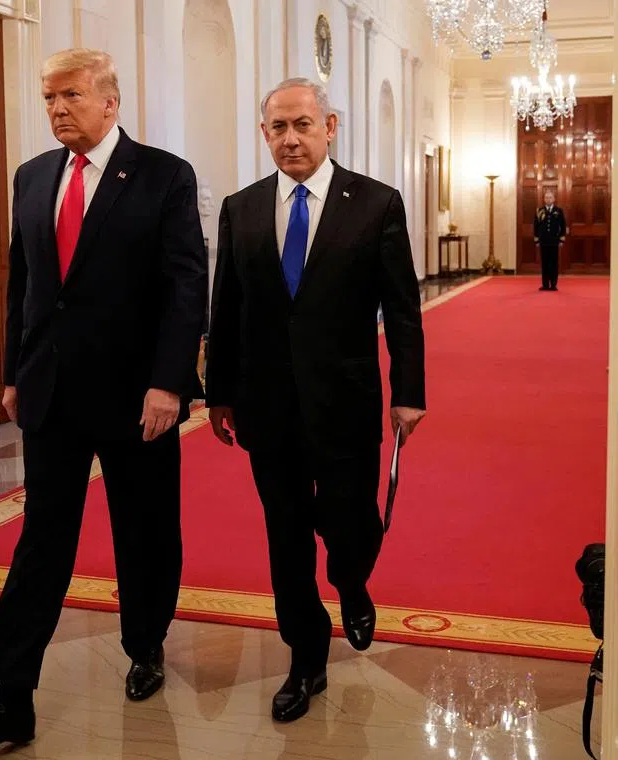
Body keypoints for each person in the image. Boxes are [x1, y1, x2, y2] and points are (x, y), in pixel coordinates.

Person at [0, 48, 207, 754]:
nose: (57, 108)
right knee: (41, 541)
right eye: (49, 97)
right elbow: (23, 285)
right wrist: (11, 373)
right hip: (51, 393)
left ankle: (145, 644)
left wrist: (171, 383)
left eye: (71, 96)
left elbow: (186, 286)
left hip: (137, 395)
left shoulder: (163, 176)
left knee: (145, 530)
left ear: (110, 102)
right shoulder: (33, 177)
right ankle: (12, 695)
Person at [204, 77, 426, 723]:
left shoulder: (375, 203)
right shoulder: (242, 207)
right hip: (267, 404)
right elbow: (229, 307)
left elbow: (402, 309)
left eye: (303, 124)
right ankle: (305, 656)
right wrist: (220, 392)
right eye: (278, 127)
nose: (291, 138)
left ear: (330, 126)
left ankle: (352, 581)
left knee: (352, 520)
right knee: (287, 533)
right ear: (264, 134)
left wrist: (408, 392)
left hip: (347, 399)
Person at [533, 188, 567, 291]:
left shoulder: (558, 211)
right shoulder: (539, 211)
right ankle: (545, 284)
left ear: (554, 199)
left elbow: (563, 225)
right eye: (546, 197)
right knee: (544, 263)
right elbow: (536, 226)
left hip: (554, 241)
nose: (548, 199)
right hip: (543, 241)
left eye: (550, 197)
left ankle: (553, 284)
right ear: (544, 199)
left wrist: (561, 240)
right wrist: (537, 240)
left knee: (553, 263)